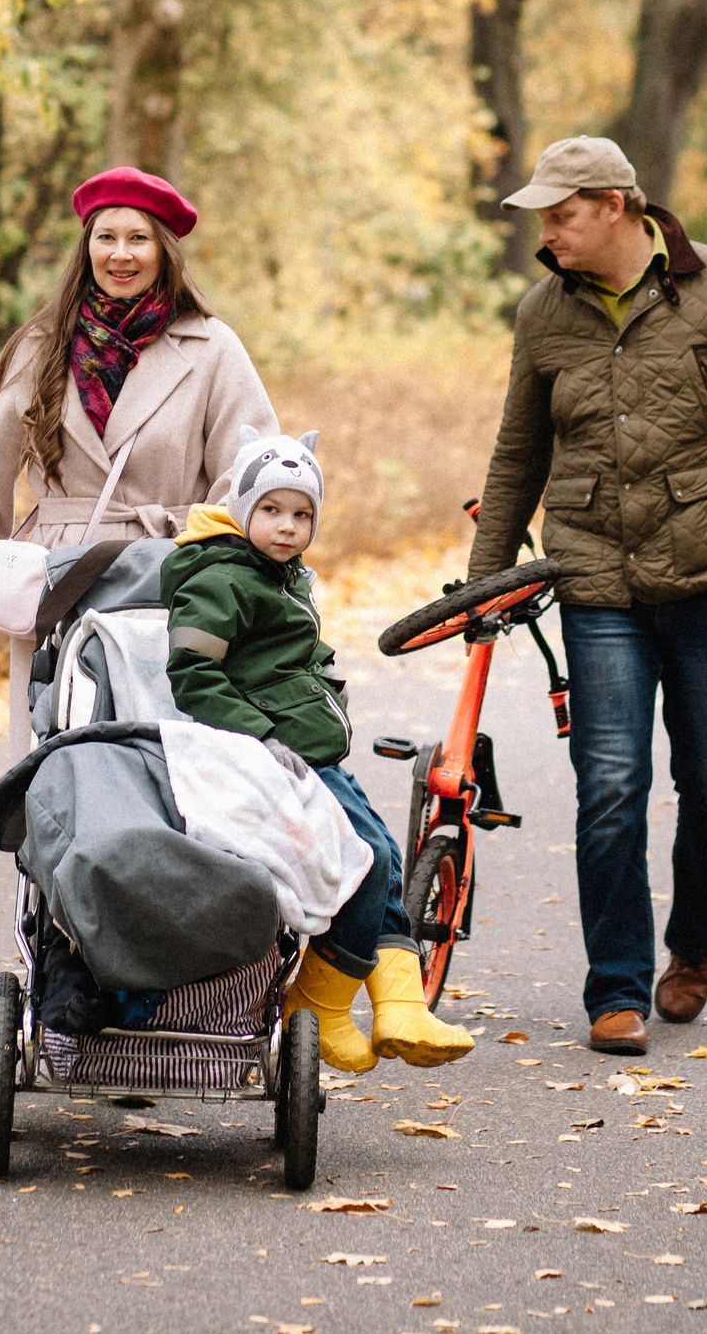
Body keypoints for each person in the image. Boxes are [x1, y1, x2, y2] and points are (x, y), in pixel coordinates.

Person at [467, 136, 707, 1056]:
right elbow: (518, 452)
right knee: (610, 784)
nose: (548, 231)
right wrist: (483, 577)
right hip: (595, 577)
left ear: (616, 205)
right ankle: (615, 987)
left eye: (561, 213)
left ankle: (690, 948)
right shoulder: (543, 311)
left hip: (706, 575)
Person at [0, 167, 277, 755]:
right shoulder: (41, 348)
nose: (120, 254)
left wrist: (221, 573)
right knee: (65, 751)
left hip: (175, 574)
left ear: (163, 251)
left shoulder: (214, 347)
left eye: (138, 238)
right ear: (85, 247)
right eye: (105, 237)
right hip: (64, 578)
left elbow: (250, 473)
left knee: (173, 756)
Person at [161, 429, 474, 1071]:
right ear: (243, 510)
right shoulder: (223, 580)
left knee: (382, 853)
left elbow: (283, 658)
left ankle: (392, 1005)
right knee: (366, 861)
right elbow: (193, 675)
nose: (287, 526)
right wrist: (265, 735)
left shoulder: (279, 578)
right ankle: (322, 1004)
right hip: (273, 758)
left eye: (302, 515)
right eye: (271, 511)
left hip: (310, 752)